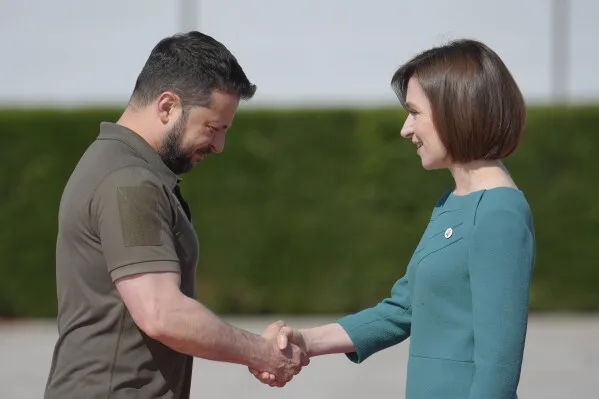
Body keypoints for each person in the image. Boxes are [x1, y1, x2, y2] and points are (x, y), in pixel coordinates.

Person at [250, 38, 536, 398]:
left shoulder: (500, 213)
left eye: (415, 112)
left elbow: (498, 367)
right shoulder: (451, 202)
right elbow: (402, 309)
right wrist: (304, 341)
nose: (406, 129)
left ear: (456, 110)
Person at [44, 31, 308, 399]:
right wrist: (262, 352)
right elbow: (162, 313)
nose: (219, 146)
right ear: (167, 106)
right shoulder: (129, 181)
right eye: (213, 128)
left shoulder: (118, 165)